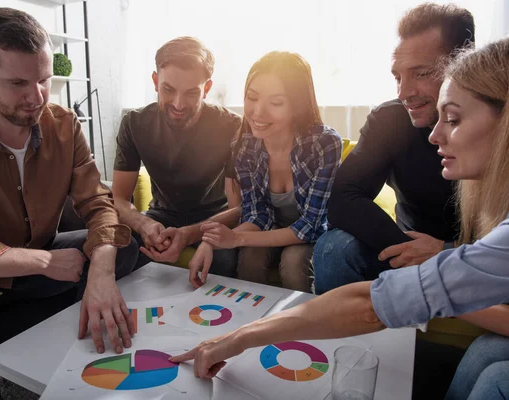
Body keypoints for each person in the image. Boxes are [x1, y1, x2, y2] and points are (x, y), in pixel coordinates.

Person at [171, 37, 509, 400]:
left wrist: (429, 284)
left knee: (494, 377)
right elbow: (270, 210)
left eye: (454, 119)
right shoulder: (247, 146)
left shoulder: (321, 143)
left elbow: (365, 295)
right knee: (486, 355)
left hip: (312, 239)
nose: (435, 134)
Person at [0, 8, 138, 400]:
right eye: (18, 83)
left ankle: (35, 342)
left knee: (123, 246)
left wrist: (100, 274)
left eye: (45, 80)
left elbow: (98, 204)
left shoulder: (64, 124)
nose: (37, 98)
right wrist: (43, 262)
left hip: (37, 266)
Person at [313, 3, 475, 294]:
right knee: (334, 248)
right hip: (407, 253)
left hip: (486, 266)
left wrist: (445, 252)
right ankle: (343, 338)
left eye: (420, 73)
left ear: (464, 65)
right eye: (398, 77)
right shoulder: (390, 120)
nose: (403, 93)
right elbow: (342, 199)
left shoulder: (498, 127)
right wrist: (412, 250)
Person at [189, 51, 341, 292]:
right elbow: (257, 214)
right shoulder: (245, 146)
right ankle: (253, 326)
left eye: (276, 102)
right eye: (252, 97)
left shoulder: (324, 144)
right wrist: (212, 241)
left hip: (315, 234)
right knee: (250, 258)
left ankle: (302, 326)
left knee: (292, 262)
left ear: (297, 104)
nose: (258, 112)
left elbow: (311, 226)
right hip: (269, 230)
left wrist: (235, 238)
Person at [112, 36, 242, 282]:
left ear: (207, 88)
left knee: (224, 262)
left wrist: (191, 234)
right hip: (160, 216)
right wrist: (144, 225)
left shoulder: (232, 126)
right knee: (122, 250)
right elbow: (118, 198)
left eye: (192, 93)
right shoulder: (134, 123)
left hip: (215, 217)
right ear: (155, 81)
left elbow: (239, 208)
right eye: (168, 90)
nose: (178, 104)